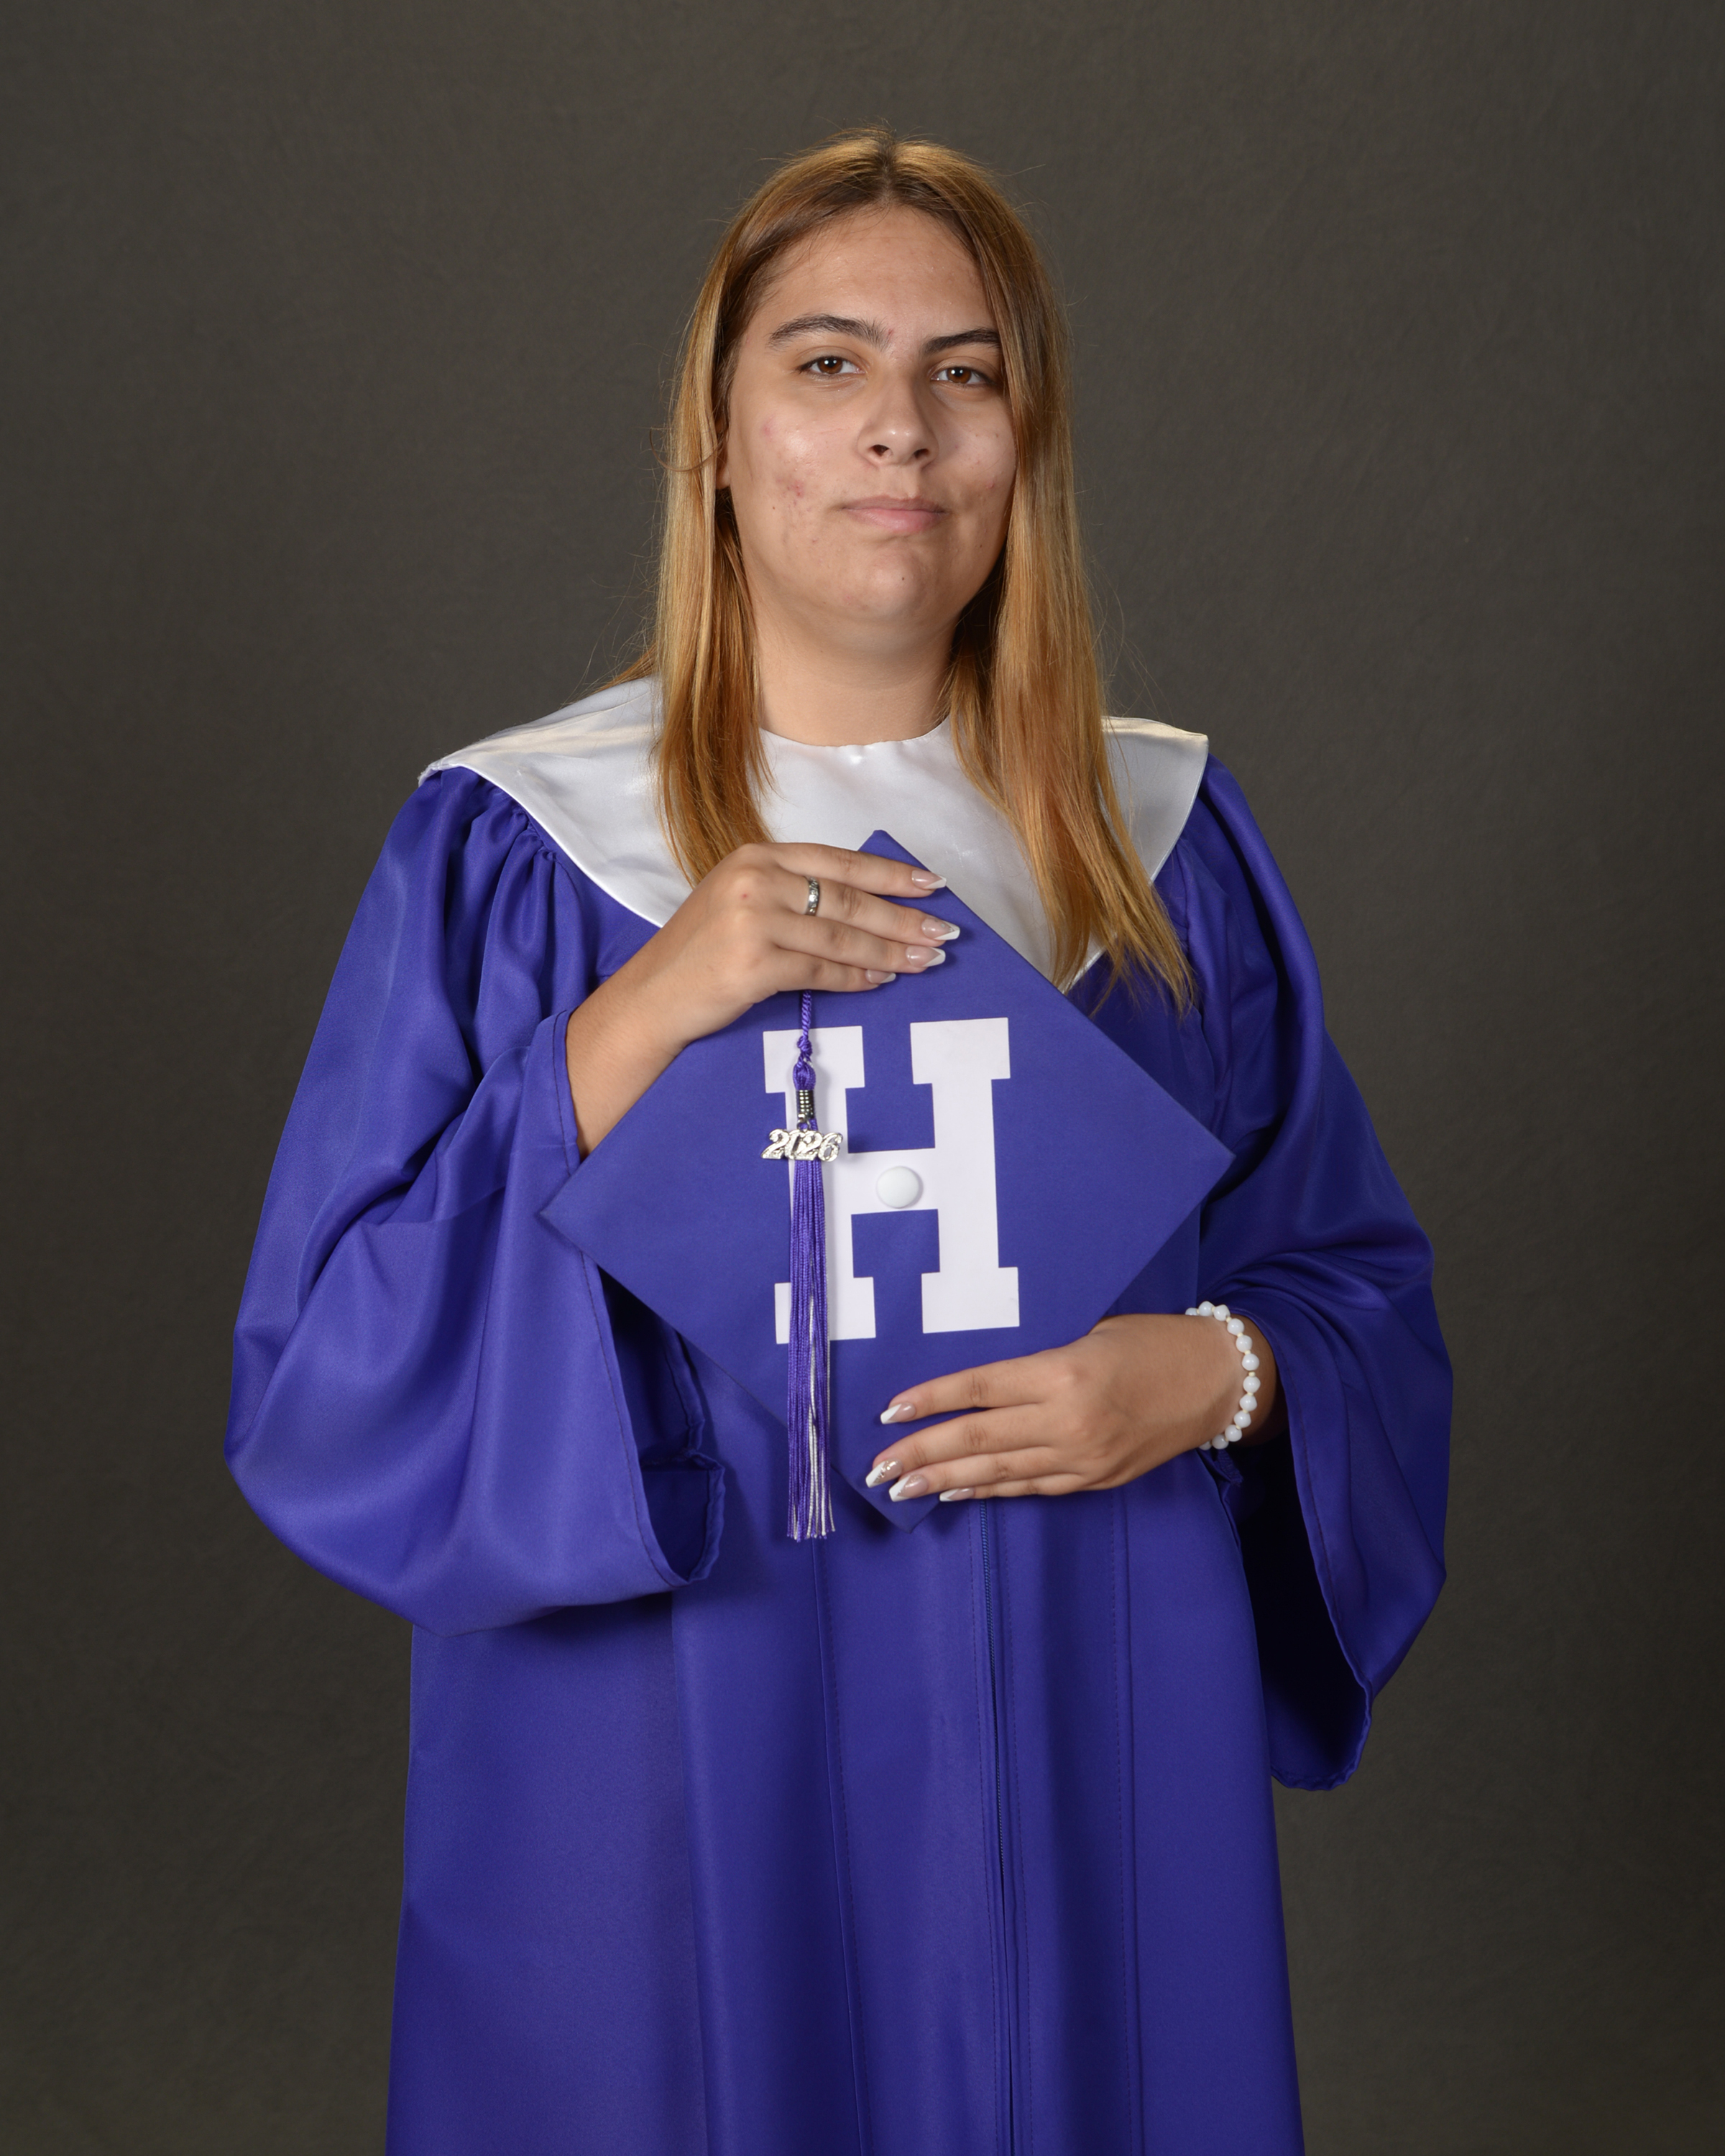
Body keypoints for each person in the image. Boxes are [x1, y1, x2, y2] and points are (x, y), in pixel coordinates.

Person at [226, 127, 1450, 2156]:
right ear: (713, 441)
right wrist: (640, 1014)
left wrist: (1212, 1379)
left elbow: (1349, 1289)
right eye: (827, 363)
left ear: (1025, 444)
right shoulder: (518, 851)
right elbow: (333, 1365)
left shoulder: (1160, 849)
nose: (903, 428)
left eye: (968, 372)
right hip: (665, 1746)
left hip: (1072, 1723)